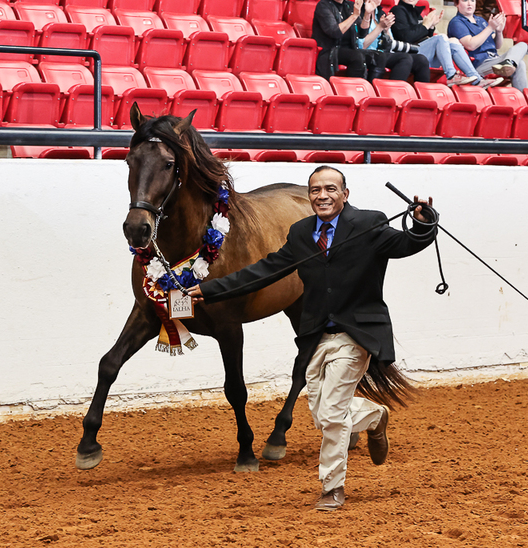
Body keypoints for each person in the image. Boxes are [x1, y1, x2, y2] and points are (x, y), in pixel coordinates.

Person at [187, 167, 436, 512]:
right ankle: (374, 416)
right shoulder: (302, 233)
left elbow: (407, 244)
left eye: (330, 189)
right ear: (309, 196)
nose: (322, 195)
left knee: (332, 414)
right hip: (316, 336)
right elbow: (263, 270)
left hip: (355, 333)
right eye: (316, 189)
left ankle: (332, 488)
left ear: (344, 194)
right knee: (324, 415)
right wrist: (210, 289)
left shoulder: (369, 224)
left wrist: (424, 223)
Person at [390, 0, 501, 88]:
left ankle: (477, 79)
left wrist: (431, 26)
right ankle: (451, 75)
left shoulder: (416, 13)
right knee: (441, 37)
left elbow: (422, 36)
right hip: (408, 53)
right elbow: (406, 37)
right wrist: (426, 25)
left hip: (420, 53)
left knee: (453, 41)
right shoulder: (398, 10)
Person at [447, 0, 528, 91]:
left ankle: (523, 98)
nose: (469, 4)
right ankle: (509, 64)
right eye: (465, 0)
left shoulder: (480, 20)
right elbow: (470, 45)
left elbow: (497, 45)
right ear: (457, 4)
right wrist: (490, 28)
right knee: (519, 64)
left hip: (494, 59)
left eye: (472, 0)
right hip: (479, 65)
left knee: (522, 46)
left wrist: (499, 31)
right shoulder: (456, 22)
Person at [353, 0, 431, 83]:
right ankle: (394, 92)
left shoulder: (380, 13)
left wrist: (386, 30)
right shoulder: (358, 14)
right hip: (366, 53)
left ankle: (421, 95)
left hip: (382, 53)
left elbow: (389, 44)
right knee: (404, 58)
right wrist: (380, 27)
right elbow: (362, 45)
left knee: (421, 60)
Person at [311, 0, 367, 80]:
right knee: (357, 56)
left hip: (350, 50)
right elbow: (335, 32)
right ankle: (352, 90)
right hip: (329, 51)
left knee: (377, 57)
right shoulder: (323, 6)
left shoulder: (350, 6)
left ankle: (370, 90)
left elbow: (362, 33)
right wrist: (354, 15)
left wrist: (367, 13)